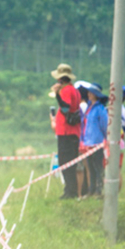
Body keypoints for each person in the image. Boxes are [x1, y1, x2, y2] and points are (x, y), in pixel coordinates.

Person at [50, 64, 81, 199]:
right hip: (71, 132)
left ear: (61, 80)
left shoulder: (67, 91)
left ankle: (70, 191)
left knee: (65, 162)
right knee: (69, 162)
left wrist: (57, 94)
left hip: (66, 133)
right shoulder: (75, 90)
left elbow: (65, 108)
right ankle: (70, 190)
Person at [78, 82, 108, 197]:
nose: (89, 94)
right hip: (88, 142)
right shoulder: (89, 108)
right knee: (90, 167)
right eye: (89, 92)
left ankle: (98, 191)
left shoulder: (100, 109)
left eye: (91, 93)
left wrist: (104, 139)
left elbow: (104, 125)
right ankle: (91, 190)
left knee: (98, 167)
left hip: (97, 142)